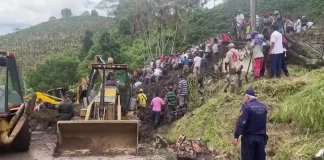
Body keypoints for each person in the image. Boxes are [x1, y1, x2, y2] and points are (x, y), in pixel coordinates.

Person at [233, 88, 268, 160]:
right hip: (261, 138)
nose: (243, 98)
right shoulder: (264, 106)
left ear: (247, 97)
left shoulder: (246, 107)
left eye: (244, 96)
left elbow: (241, 122)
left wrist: (236, 136)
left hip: (249, 139)